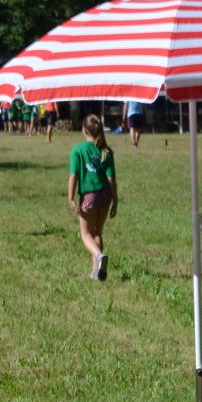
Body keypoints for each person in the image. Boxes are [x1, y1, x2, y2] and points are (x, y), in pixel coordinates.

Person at [67, 114, 119, 281]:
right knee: (97, 232)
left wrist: (70, 197)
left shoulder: (77, 150)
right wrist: (115, 201)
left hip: (89, 196)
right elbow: (112, 179)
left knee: (85, 234)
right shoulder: (106, 151)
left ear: (84, 130)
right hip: (106, 195)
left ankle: (98, 256)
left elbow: (73, 176)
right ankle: (96, 271)